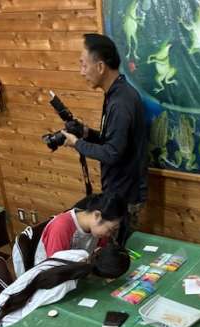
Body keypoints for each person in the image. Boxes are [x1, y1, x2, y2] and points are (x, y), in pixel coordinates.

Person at [62, 33, 147, 243]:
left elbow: (112, 153)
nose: (82, 72)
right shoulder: (117, 94)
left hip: (124, 196)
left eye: (84, 65)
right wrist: (87, 133)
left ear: (100, 67)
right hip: (121, 191)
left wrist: (77, 143)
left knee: (118, 252)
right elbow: (115, 142)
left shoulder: (120, 102)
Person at [0, 244, 130, 327]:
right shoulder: (61, 286)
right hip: (7, 318)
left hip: (10, 298)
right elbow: (27, 314)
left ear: (98, 250)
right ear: (109, 278)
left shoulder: (80, 255)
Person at [33, 193, 127, 266]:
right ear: (97, 215)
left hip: (77, 271)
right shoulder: (61, 227)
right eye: (110, 229)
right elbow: (54, 267)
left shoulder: (96, 229)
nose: (109, 235)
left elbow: (101, 250)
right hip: (51, 277)